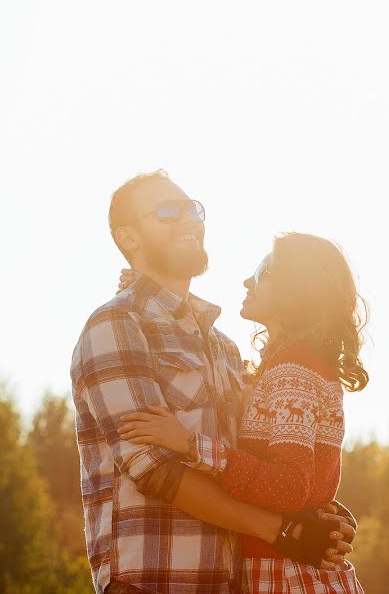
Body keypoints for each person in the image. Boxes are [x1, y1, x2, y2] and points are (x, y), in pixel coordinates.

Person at [71, 170, 353, 594]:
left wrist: (321, 511)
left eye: (193, 209)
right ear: (129, 238)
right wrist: (283, 530)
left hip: (235, 581)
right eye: (168, 211)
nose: (188, 219)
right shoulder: (117, 324)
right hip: (153, 582)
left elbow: (258, 461)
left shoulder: (223, 348)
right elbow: (153, 469)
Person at [117, 232, 368, 593]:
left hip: (290, 576)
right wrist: (148, 289)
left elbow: (291, 485)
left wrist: (189, 444)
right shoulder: (291, 367)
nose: (248, 281)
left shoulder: (293, 372)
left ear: (295, 290)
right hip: (288, 569)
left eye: (263, 272)